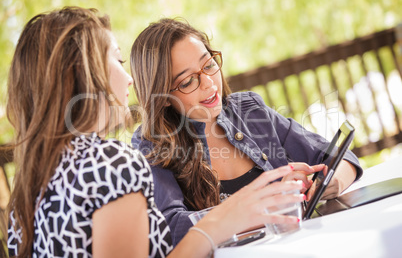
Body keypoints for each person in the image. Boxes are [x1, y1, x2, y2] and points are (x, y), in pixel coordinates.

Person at [6, 7, 306, 257]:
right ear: (81, 76)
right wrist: (224, 219)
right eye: (118, 61)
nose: (130, 80)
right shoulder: (110, 164)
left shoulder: (31, 184)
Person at [130, 18, 363, 246]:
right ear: (163, 96)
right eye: (188, 81)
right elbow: (170, 229)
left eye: (209, 65)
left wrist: (331, 184)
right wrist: (267, 205)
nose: (209, 83)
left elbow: (340, 158)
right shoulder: (150, 146)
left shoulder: (249, 111)